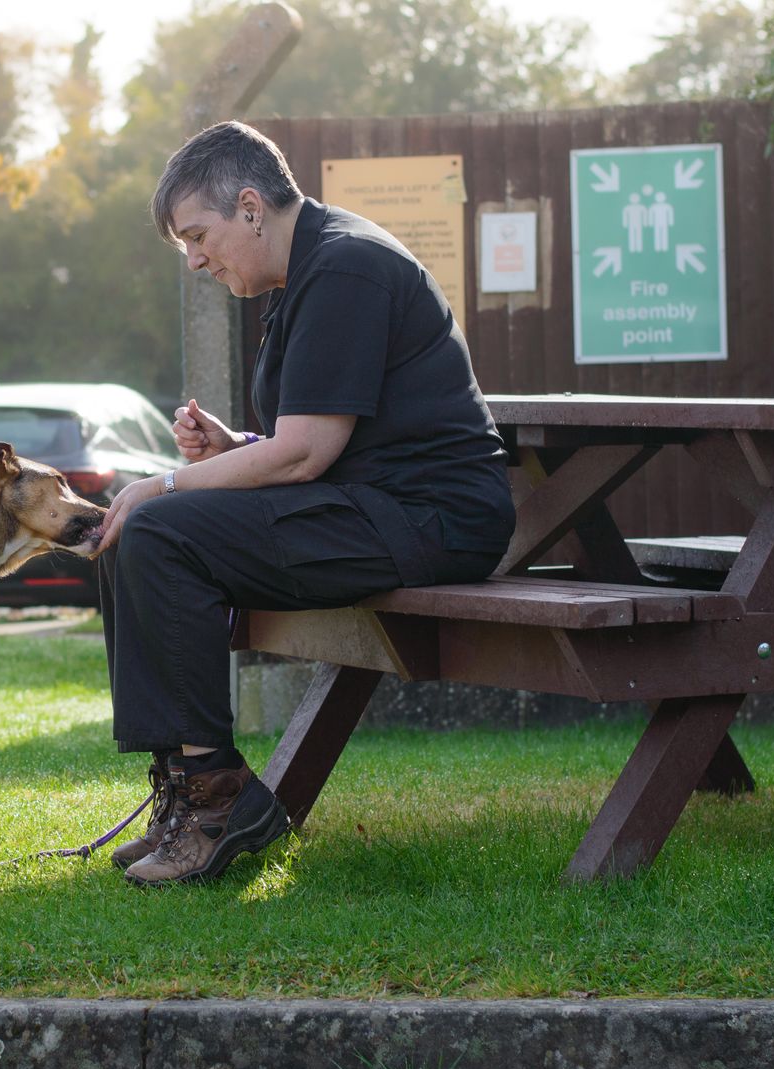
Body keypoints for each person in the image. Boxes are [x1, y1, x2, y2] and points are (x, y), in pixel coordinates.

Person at [96, 120, 515, 887]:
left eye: (197, 235)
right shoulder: (307, 274)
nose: (193, 259)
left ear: (250, 207)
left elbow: (305, 454)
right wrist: (234, 448)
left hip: (429, 518)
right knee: (133, 536)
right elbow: (315, 437)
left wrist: (159, 483)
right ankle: (185, 796)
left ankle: (221, 800)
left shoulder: (348, 267)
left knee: (154, 526)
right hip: (365, 502)